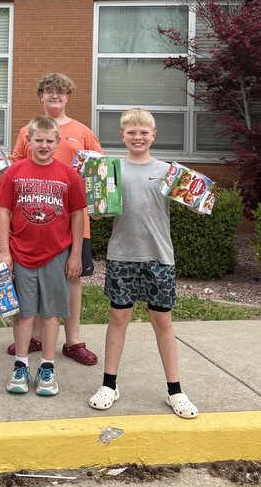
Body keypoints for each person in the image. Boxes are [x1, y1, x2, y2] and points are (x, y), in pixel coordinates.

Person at [87, 108, 199, 419]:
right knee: (118, 319)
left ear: (153, 136)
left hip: (159, 257)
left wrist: (201, 204)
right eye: (131, 132)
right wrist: (94, 203)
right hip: (122, 254)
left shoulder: (168, 172)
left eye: (143, 132)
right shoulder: (111, 171)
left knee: (163, 322)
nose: (138, 137)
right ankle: (109, 384)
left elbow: (198, 205)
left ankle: (174, 390)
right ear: (122, 136)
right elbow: (97, 213)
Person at [10, 72, 102, 366]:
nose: (55, 96)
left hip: (74, 221)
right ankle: (35, 337)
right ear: (41, 96)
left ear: (68, 97)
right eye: (49, 91)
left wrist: (100, 203)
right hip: (35, 222)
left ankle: (72, 341)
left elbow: (99, 172)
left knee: (72, 278)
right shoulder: (29, 130)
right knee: (34, 277)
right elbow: (14, 166)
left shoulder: (83, 132)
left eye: (60, 92)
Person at [0, 115, 85, 397]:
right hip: (20, 254)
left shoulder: (68, 174)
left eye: (49, 141)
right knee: (24, 314)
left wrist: (76, 255)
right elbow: (3, 211)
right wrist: (4, 251)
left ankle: (47, 367)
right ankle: (21, 365)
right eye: (38, 140)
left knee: (50, 314)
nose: (43, 145)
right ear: (28, 141)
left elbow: (77, 214)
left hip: (57, 254)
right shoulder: (15, 171)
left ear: (58, 142)